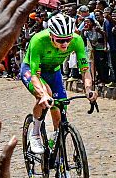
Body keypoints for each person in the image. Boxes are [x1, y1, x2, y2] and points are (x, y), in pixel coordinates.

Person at [20, 13, 97, 154]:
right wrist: (42, 95)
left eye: (68, 39)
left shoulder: (77, 40)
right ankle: (35, 133)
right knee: (46, 94)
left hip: (54, 71)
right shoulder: (38, 40)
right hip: (32, 71)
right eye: (60, 41)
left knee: (59, 105)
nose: (65, 44)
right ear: (51, 36)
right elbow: (35, 75)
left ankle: (56, 144)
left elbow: (85, 70)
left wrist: (88, 89)